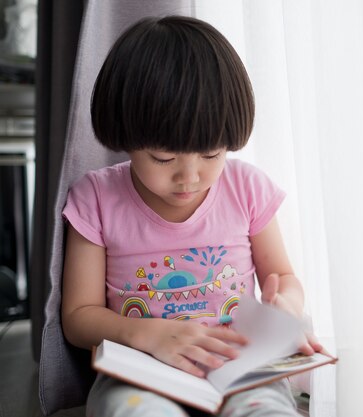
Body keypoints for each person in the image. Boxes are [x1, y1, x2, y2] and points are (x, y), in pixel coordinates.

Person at [61, 15, 322, 417]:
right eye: (163, 158)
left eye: (212, 154)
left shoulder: (247, 188)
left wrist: (285, 305)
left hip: (237, 364)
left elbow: (284, 278)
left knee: (268, 409)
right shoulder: (96, 198)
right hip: (141, 367)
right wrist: (147, 334)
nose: (190, 177)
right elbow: (79, 318)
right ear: (126, 138)